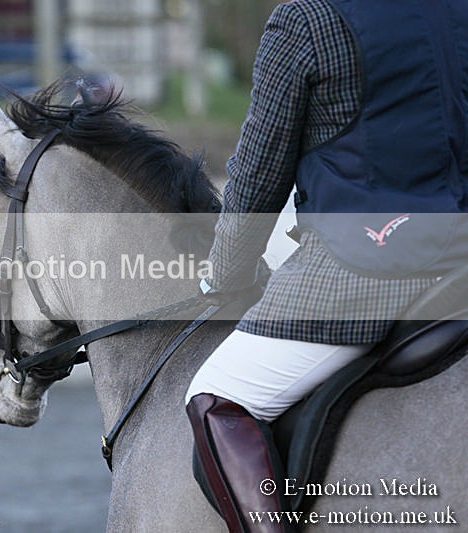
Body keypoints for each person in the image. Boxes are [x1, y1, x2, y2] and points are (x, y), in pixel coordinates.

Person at [185, 0, 468, 531]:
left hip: (366, 268)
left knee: (218, 396)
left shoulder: (307, 18)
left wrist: (224, 276)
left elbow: (258, 173)